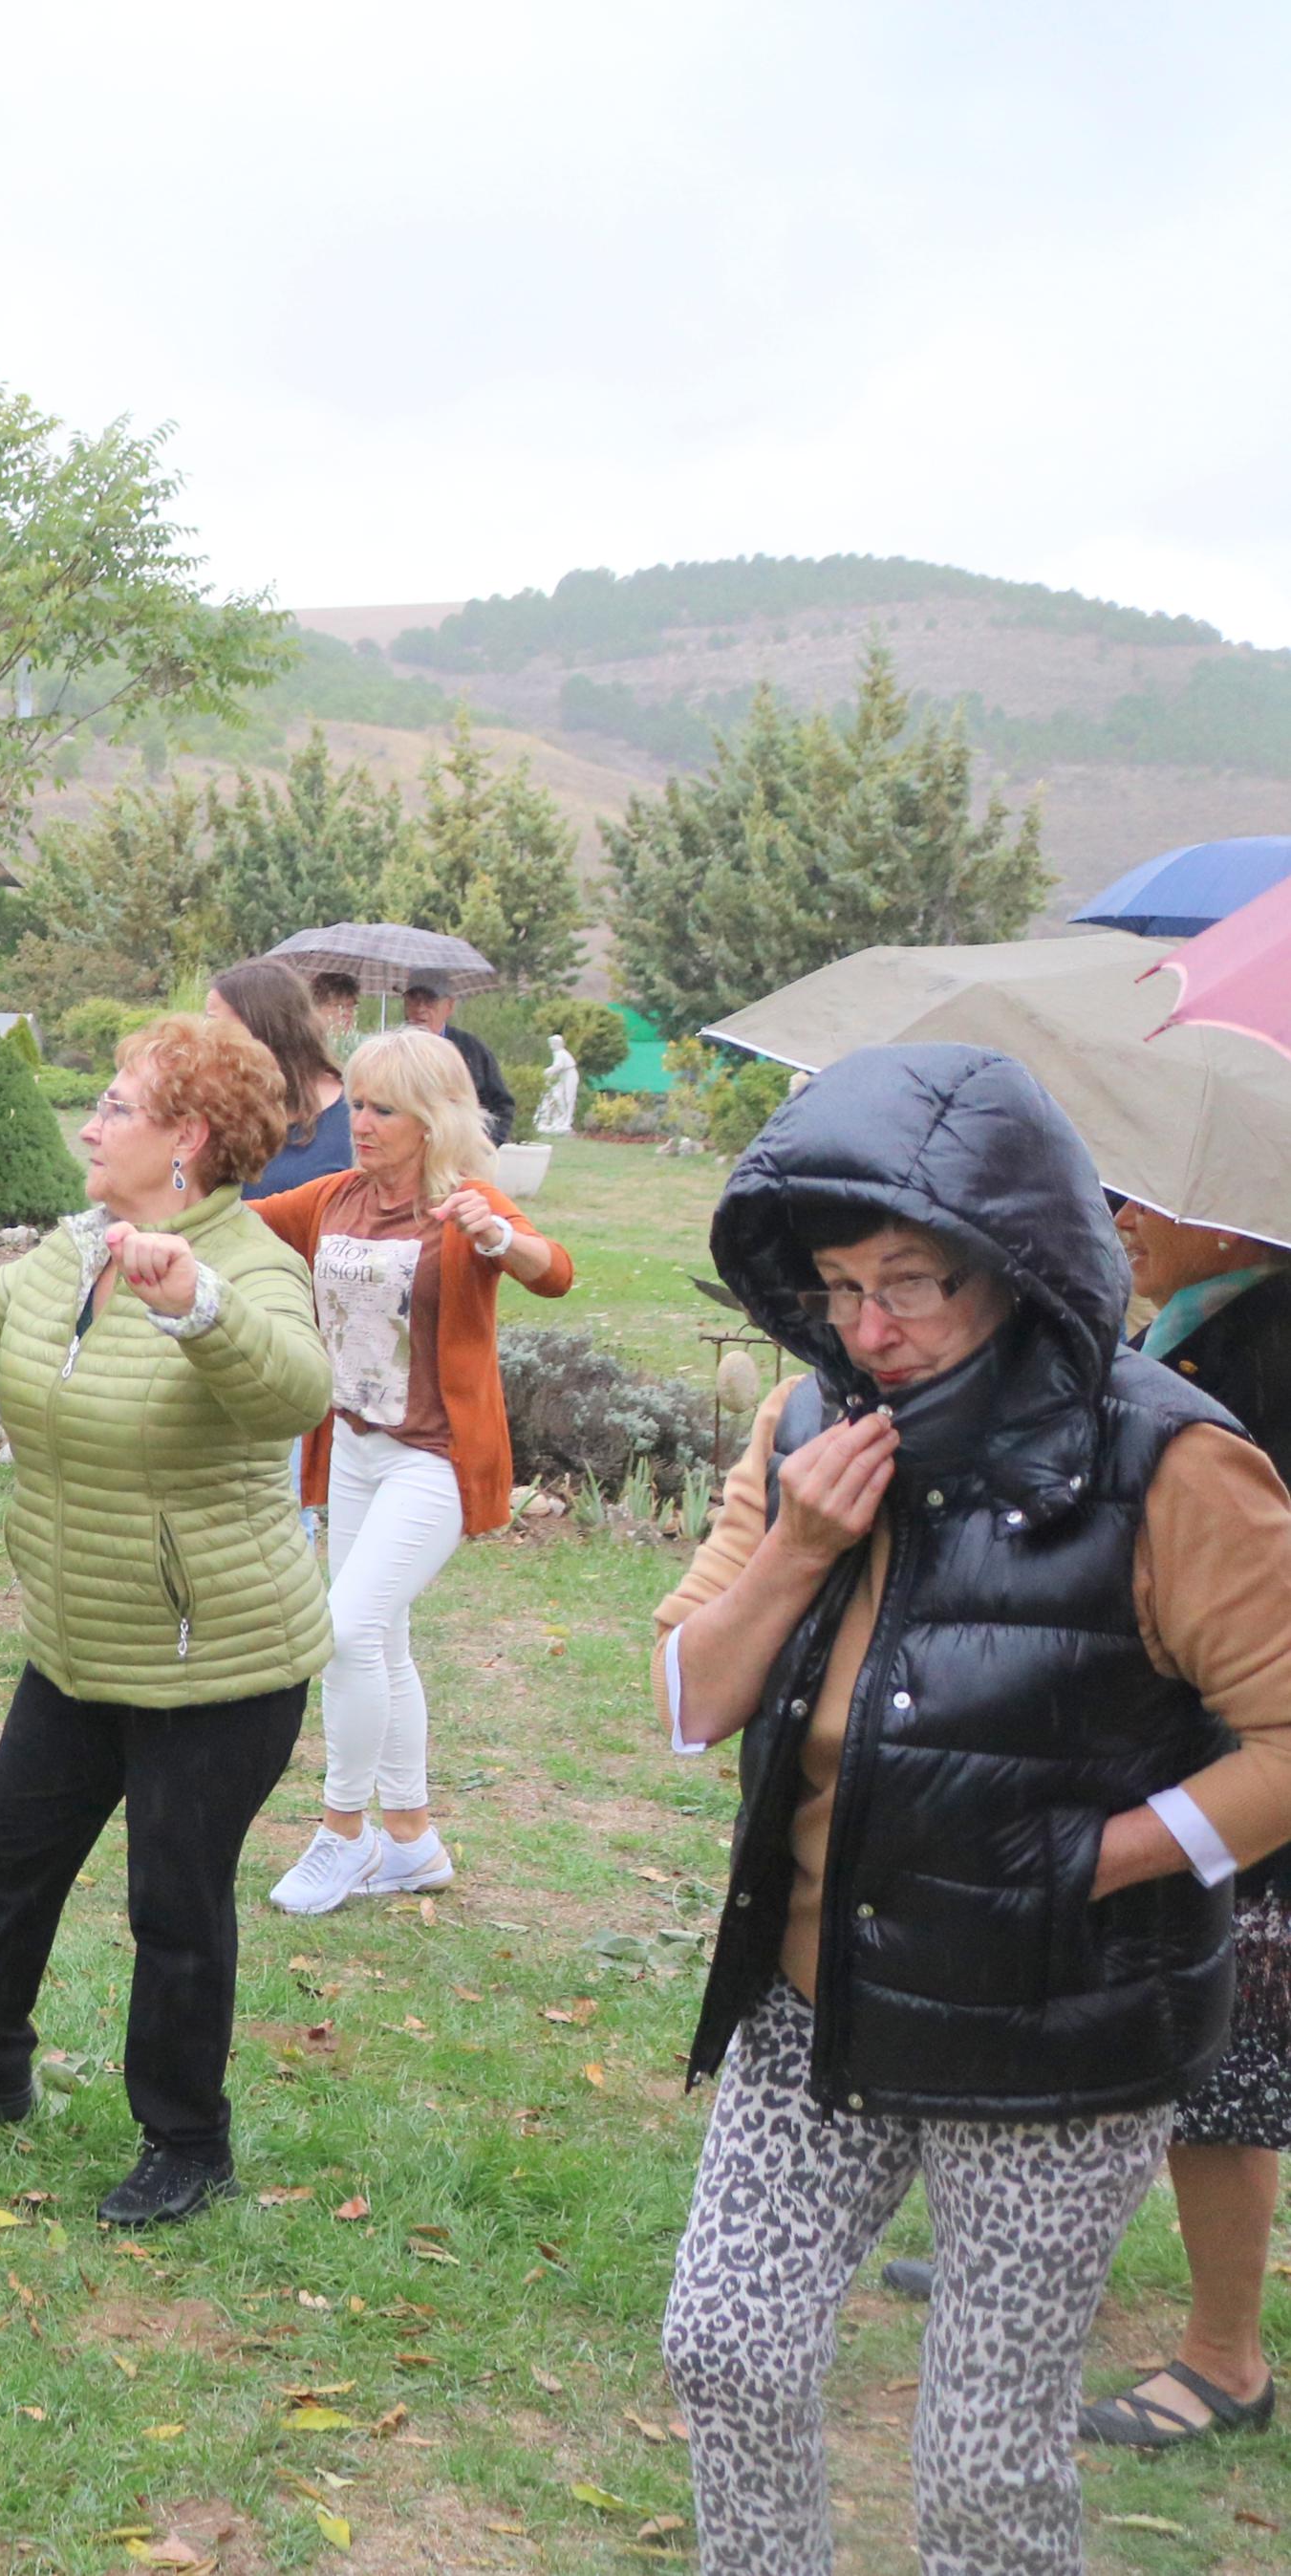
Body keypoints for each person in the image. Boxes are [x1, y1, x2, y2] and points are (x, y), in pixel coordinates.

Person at [650, 1046, 1291, 2576]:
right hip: (816, 1998)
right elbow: (684, 1703)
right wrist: (795, 1546)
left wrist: (1098, 1861)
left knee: (979, 2463)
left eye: (911, 1283)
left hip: (1057, 2017)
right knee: (724, 2345)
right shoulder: (804, 1423)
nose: (870, 1329)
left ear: (1014, 1266)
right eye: (835, 1286)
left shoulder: (1170, 1460)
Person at [0, 1014, 330, 2227]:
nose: (91, 1122)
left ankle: (185, 2139)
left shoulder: (249, 1260)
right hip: (77, 1639)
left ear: (187, 1140)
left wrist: (198, 1306)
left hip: (214, 1662)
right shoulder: (73, 1249)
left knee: (173, 1903)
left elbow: (295, 1393)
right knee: (12, 1853)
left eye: (116, 1106)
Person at [1026, 1204, 1291, 2448]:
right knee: (1125, 2004)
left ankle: (1223, 2357)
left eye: (1163, 1203)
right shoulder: (1197, 1320)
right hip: (1163, 1735)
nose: (1126, 1215)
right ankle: (1044, 2259)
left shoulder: (1268, 1345)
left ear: (1245, 1224)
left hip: (1248, 1766)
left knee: (1223, 2068)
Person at [248, 1028, 571, 1913]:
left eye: (381, 1107)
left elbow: (557, 1273)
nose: (359, 1122)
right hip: (352, 1447)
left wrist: (501, 1234)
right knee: (380, 1640)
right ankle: (413, 1841)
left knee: (346, 1630)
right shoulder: (335, 1198)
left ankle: (340, 1833)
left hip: (433, 1460)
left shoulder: (463, 1203)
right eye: (355, 1102)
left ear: (429, 1120)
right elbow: (234, 1225)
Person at [209, 960, 352, 1197]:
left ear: (262, 1028)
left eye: (215, 1023)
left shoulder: (355, 1116)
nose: (207, 1038)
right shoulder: (219, 1105)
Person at [400, 980, 514, 1145]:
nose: (420, 1008)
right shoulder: (390, 1050)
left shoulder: (472, 1050)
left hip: (456, 1155)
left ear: (449, 1006)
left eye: (430, 1000)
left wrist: (481, 1147)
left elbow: (501, 1106)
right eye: (413, 999)